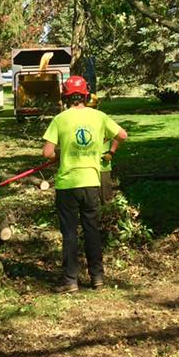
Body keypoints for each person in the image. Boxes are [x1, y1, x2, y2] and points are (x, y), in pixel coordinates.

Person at [42, 75, 128, 293]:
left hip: (67, 184)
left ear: (66, 95)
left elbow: (47, 152)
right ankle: (97, 277)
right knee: (91, 230)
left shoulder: (60, 119)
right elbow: (122, 135)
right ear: (86, 95)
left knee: (70, 233)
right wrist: (110, 151)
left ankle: (70, 280)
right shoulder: (99, 116)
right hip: (91, 180)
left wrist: (58, 155)